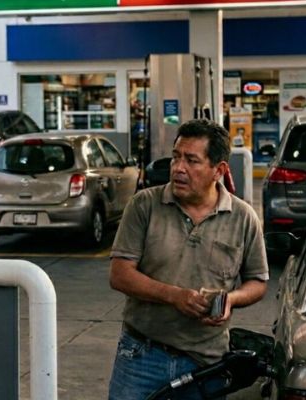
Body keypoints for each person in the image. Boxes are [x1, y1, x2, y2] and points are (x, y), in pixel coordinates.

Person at [108, 119, 269, 399]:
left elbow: (257, 281)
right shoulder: (144, 205)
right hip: (142, 355)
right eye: (176, 157)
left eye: (192, 160)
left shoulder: (243, 217)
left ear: (218, 170)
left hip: (206, 360)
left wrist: (231, 300)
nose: (178, 168)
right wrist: (175, 296)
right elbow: (120, 274)